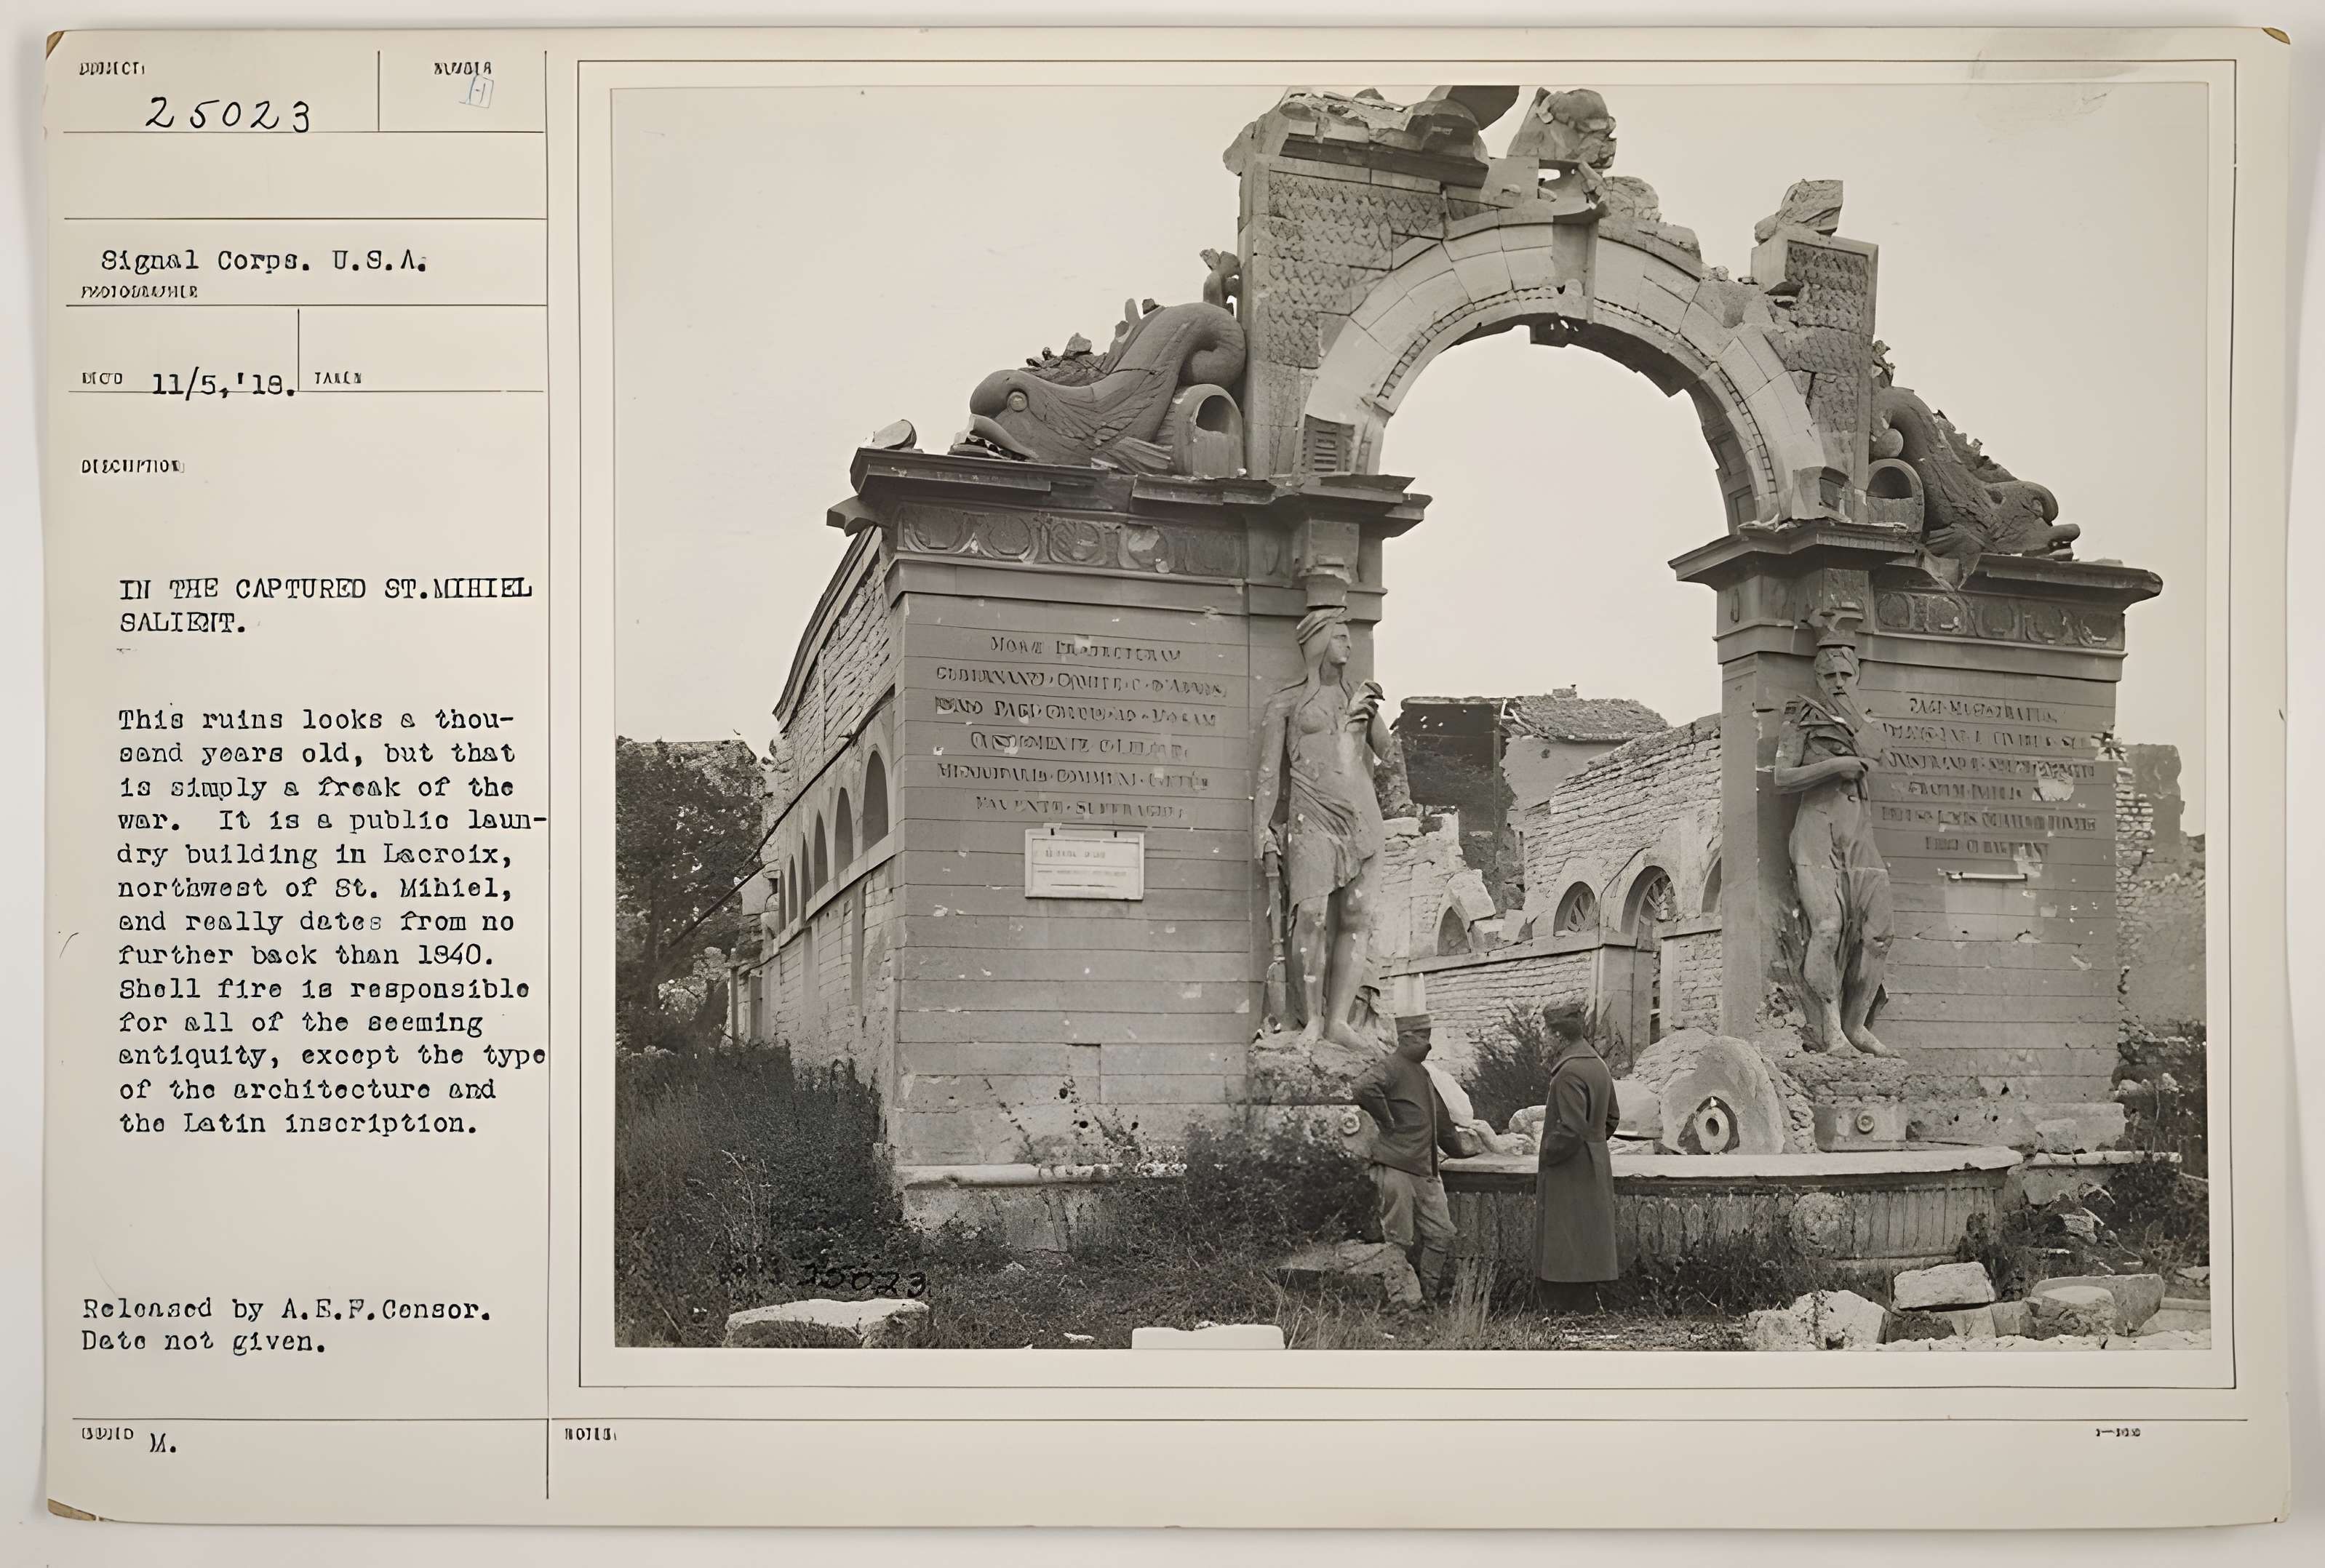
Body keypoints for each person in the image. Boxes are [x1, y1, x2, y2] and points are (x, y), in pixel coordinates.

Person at [1252, 606, 1390, 1050]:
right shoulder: (1287, 702)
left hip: (1361, 816)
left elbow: (1388, 752)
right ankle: (1310, 1019)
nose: (1348, 644)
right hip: (1310, 817)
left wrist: (1365, 720)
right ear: (1317, 642)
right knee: (1310, 915)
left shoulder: (1358, 696)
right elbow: (1270, 773)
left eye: (1351, 636)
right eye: (1339, 636)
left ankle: (1339, 1023)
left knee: (1355, 917)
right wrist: (1261, 829)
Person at [1772, 604, 1896, 1057]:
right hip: (1816, 831)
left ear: (1856, 673)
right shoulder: (1799, 714)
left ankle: (1857, 1024)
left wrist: (1851, 711)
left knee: (1879, 931)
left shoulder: (1868, 720)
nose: (1838, 682)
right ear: (1817, 676)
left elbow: (1880, 752)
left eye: (1845, 674)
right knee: (1827, 926)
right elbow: (1782, 779)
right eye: (1829, 676)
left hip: (1859, 834)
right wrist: (1833, 767)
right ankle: (1829, 1029)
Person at [1352, 1014, 1465, 1305]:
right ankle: (1403, 1303)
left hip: (1426, 1170)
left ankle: (1428, 1296)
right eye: (1418, 1035)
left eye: (1427, 1034)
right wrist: (1387, 1119)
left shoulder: (1423, 1073)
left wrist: (1461, 1151)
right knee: (1398, 1240)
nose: (1425, 1041)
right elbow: (1363, 1087)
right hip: (1396, 1168)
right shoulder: (1391, 1066)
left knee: (1442, 1235)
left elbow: (1441, 1119)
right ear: (1403, 1038)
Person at [1533, 1001, 1622, 1312]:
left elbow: (1570, 1128)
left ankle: (1562, 1308)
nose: (1544, 1038)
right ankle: (1584, 1305)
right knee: (1588, 1237)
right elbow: (1612, 1118)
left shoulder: (1568, 1073)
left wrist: (1546, 1152)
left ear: (1558, 1035)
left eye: (1546, 1031)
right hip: (1595, 1162)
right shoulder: (1597, 1064)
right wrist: (1594, 1146)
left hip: (1569, 1169)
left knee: (1564, 1238)